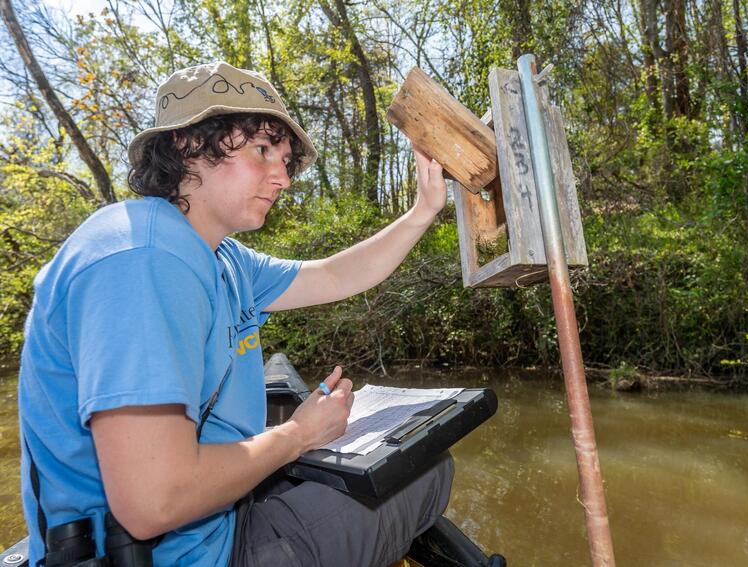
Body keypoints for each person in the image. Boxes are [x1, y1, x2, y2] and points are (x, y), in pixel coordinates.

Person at [18, 61, 453, 567]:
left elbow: (336, 275)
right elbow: (154, 501)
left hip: (220, 520)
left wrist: (423, 209)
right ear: (188, 147)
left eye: (286, 160)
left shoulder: (222, 256)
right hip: (190, 556)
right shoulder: (142, 257)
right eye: (262, 151)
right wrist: (299, 435)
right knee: (429, 473)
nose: (283, 178)